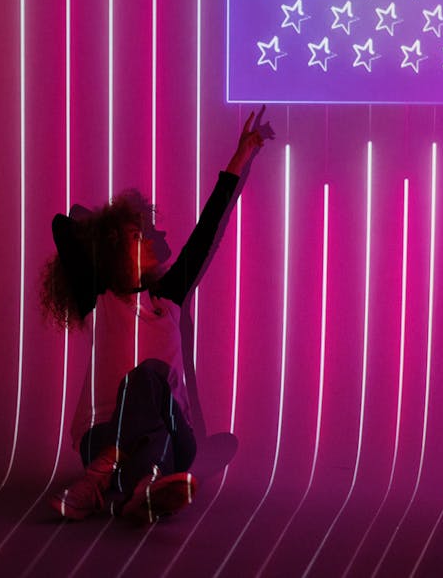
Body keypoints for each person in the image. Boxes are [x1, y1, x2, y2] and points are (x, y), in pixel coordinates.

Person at [41, 108, 274, 525]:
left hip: (173, 435)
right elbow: (63, 226)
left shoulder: (167, 296)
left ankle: (99, 485)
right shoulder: (99, 300)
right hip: (103, 435)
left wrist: (241, 156)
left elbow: (208, 228)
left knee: (146, 377)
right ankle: (141, 491)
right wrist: (103, 232)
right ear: (113, 248)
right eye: (137, 235)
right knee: (148, 419)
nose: (150, 238)